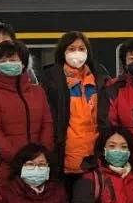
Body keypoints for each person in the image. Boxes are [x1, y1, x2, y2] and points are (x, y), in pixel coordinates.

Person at [0, 40, 55, 185]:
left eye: (12, 60)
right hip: (8, 168)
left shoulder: (38, 91)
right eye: (2, 61)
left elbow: (47, 124)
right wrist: (18, 159)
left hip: (39, 166)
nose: (8, 63)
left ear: (23, 64)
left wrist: (42, 155)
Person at [40, 31, 111, 184]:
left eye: (81, 48)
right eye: (71, 49)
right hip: (63, 157)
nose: (77, 53)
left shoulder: (99, 76)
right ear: (63, 52)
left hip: (94, 157)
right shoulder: (52, 79)